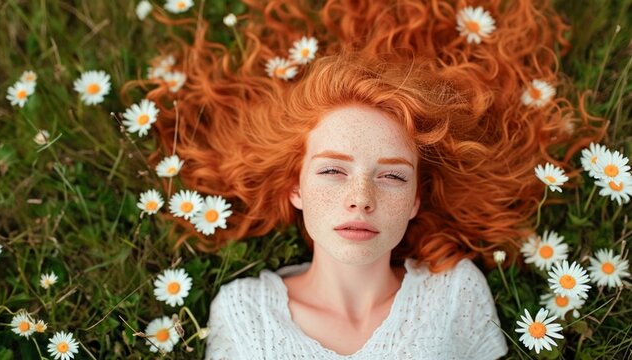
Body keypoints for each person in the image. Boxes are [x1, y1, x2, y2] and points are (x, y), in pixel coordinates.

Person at [127, 0, 594, 358]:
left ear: (416, 199)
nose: (360, 199)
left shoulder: (454, 292)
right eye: (332, 170)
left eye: (392, 176)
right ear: (295, 188)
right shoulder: (243, 311)